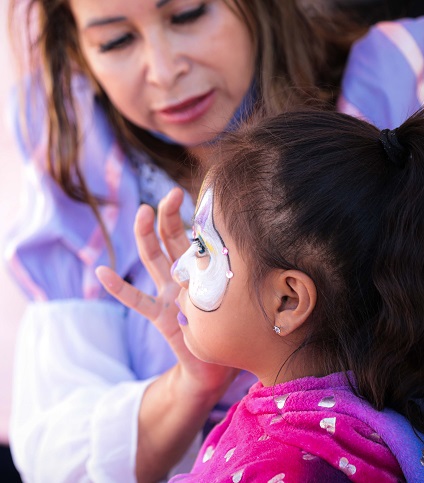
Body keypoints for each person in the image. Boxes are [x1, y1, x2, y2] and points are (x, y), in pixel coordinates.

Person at [5, 0, 363, 481]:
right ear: (78, 54)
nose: (165, 70)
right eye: (116, 40)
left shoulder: (386, 95)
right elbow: (54, 456)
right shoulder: (89, 185)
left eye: (188, 15)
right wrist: (195, 382)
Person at [98, 108, 424, 482]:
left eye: (203, 249)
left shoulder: (289, 465)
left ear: (287, 301)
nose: (179, 269)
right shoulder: (334, 426)